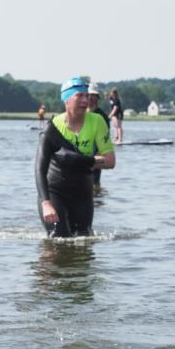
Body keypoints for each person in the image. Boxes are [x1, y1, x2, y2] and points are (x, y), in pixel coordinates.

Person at [35, 77, 116, 237]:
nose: (86, 100)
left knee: (84, 240)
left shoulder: (97, 121)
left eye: (87, 96)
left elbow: (110, 161)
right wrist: (46, 203)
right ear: (66, 100)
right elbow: (39, 169)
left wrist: (82, 161)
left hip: (83, 192)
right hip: (54, 192)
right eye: (79, 96)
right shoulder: (53, 128)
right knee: (60, 240)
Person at [86, 81, 110, 189]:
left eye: (93, 96)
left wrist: (96, 159)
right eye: (89, 95)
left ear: (97, 98)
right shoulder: (81, 114)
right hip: (82, 155)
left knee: (94, 186)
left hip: (96, 157)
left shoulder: (102, 116)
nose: (90, 99)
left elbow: (105, 141)